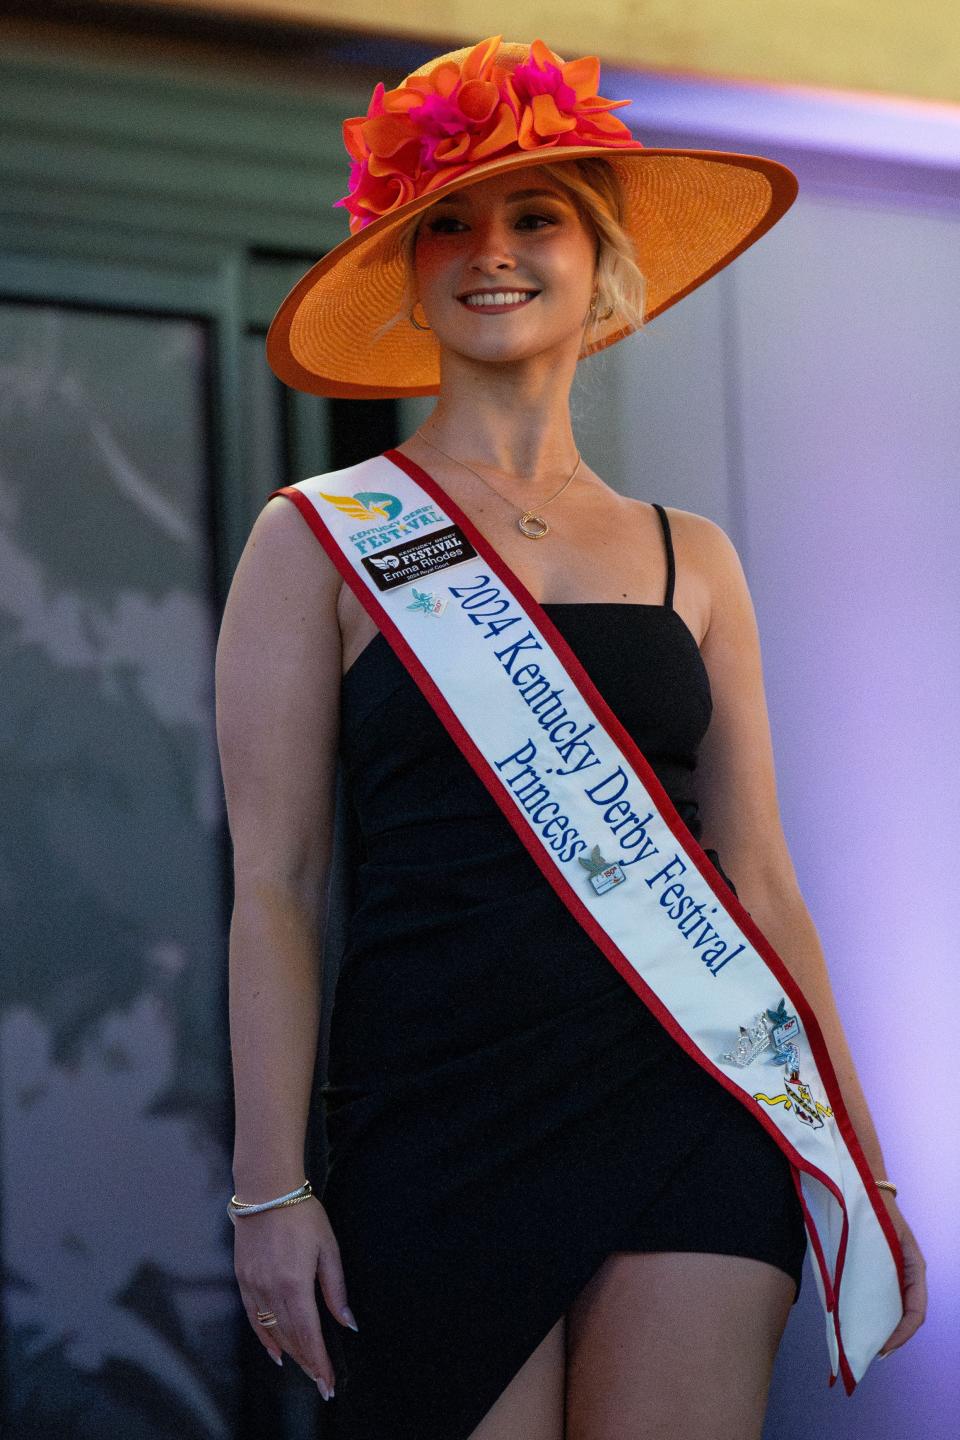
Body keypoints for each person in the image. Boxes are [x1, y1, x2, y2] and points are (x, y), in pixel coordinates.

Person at [214, 34, 927, 1440]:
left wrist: (864, 1165)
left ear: (601, 262)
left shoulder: (693, 556)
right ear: (410, 270)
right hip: (435, 1111)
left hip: (689, 1096)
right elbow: (276, 888)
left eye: (537, 215)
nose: (495, 250)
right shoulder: (320, 538)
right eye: (451, 222)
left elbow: (764, 881)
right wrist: (268, 1183)